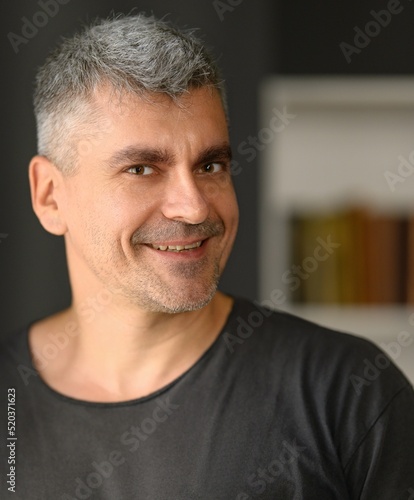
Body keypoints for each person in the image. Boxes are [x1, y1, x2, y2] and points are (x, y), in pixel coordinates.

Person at [1, 13, 414, 500]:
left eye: (211, 165)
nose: (194, 206)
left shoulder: (350, 394)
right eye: (142, 169)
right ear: (50, 196)